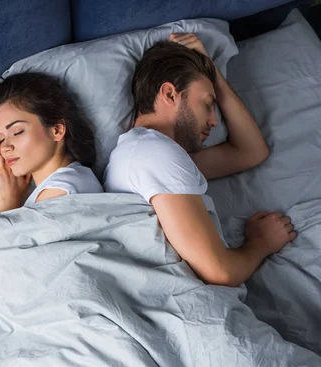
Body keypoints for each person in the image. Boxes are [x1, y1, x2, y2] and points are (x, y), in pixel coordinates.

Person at [103, 34, 296, 287]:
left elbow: (251, 152)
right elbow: (221, 272)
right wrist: (260, 244)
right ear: (170, 94)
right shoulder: (154, 153)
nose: (215, 121)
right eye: (207, 104)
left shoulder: (146, 152)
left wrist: (212, 72)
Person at [0, 72, 102, 215]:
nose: (5, 147)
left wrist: (8, 201)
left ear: (56, 130)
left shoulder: (61, 192)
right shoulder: (72, 180)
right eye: (0, 138)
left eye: (17, 132)